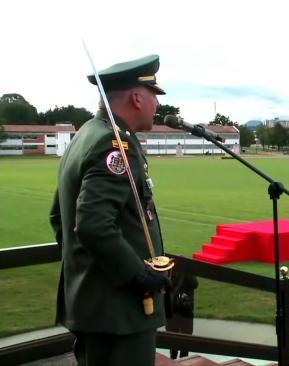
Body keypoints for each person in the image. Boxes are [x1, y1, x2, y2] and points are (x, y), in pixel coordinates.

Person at [49, 55, 170, 366]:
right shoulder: (112, 145)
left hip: (96, 306)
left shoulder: (86, 135)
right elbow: (92, 225)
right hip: (121, 313)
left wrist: (85, 268)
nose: (157, 105)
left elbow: (58, 217)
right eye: (154, 96)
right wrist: (138, 275)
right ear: (136, 98)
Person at [165, 271, 199, 359]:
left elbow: (195, 284)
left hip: (185, 311)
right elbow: (166, 286)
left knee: (186, 340)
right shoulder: (171, 273)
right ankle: (174, 359)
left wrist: (186, 273)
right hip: (173, 311)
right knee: (173, 340)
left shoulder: (189, 274)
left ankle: (182, 359)